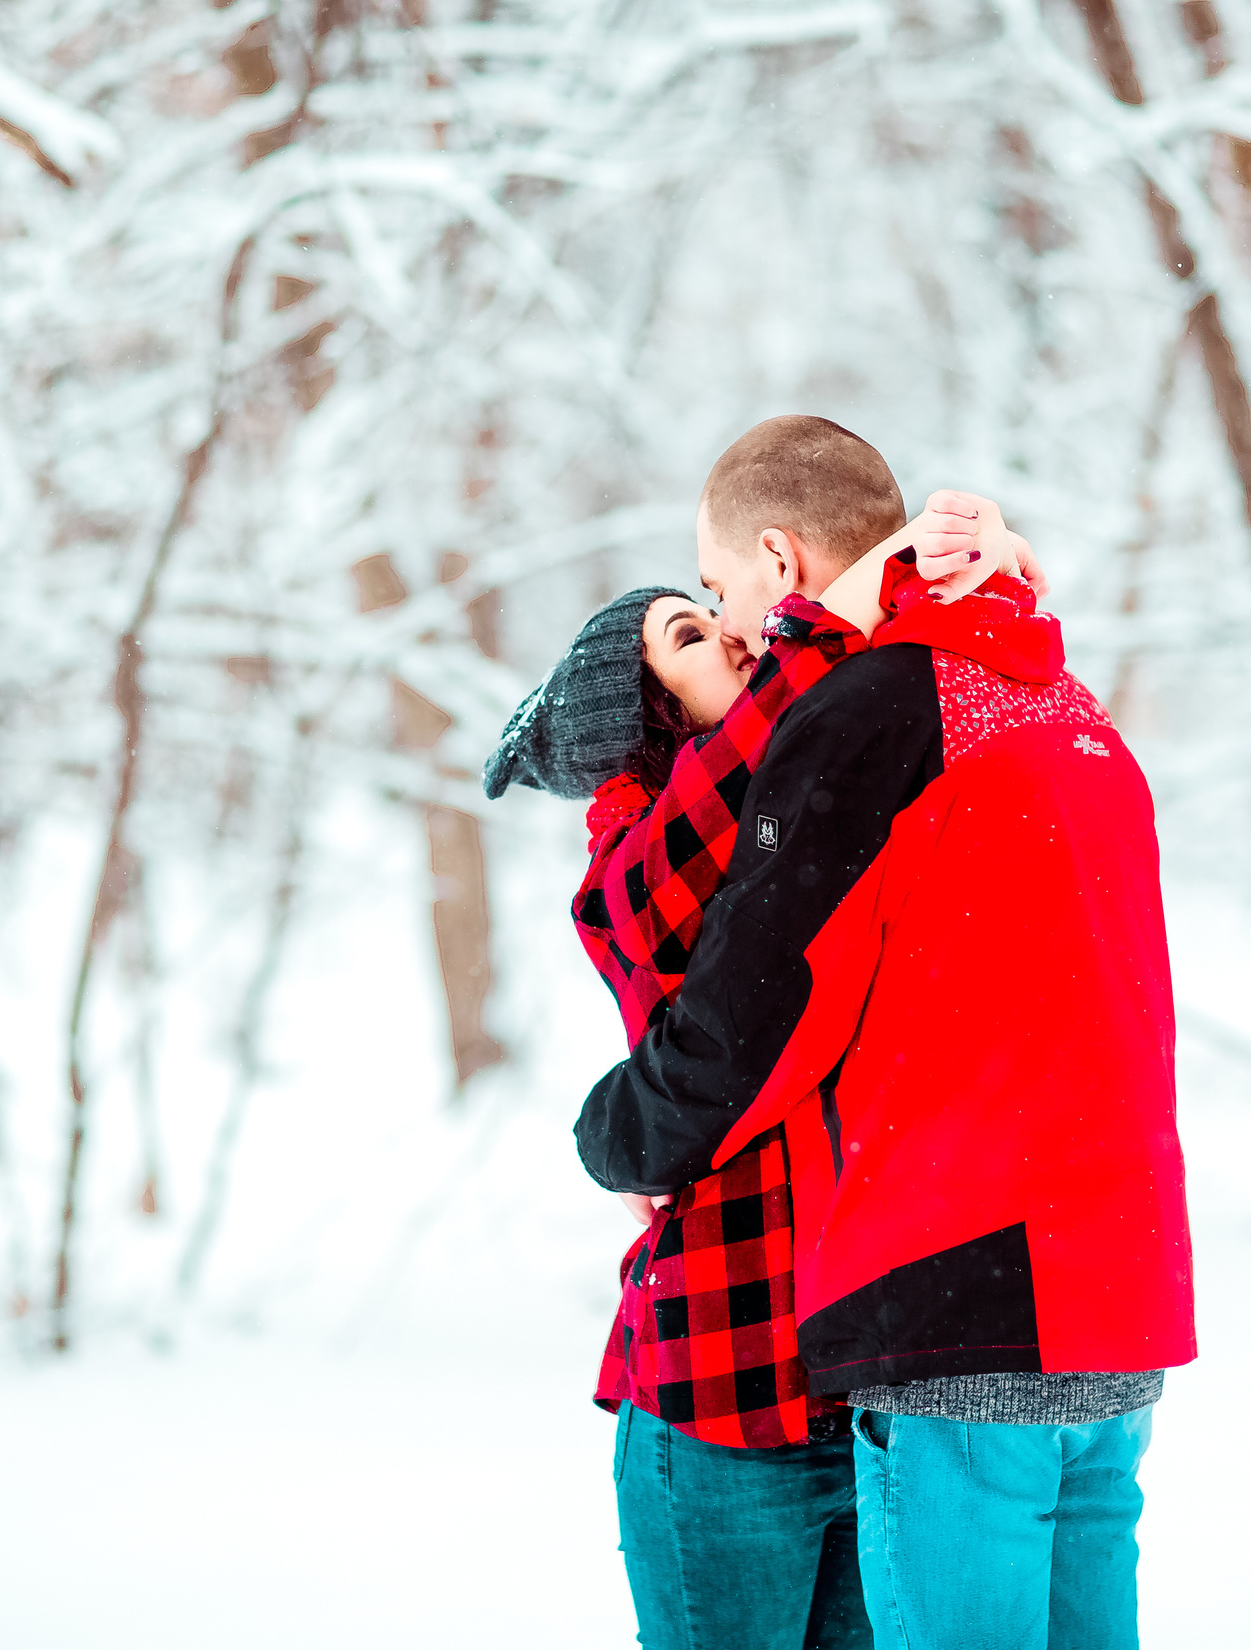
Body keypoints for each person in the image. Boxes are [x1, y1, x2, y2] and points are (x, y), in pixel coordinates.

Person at [575, 415, 1196, 1650]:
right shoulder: (1060, 699)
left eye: (716, 587)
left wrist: (621, 1136)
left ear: (776, 559)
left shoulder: (872, 711)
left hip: (957, 1290)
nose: (732, 623)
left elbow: (755, 1013)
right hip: (1116, 1286)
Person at [484, 474, 1034, 1650]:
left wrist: (985, 561)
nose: (730, 631)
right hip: (719, 1395)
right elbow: (789, 709)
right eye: (688, 636)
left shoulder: (789, 799)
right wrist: (855, 584)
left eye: (712, 607)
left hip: (860, 1390)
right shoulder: (635, 864)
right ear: (648, 721)